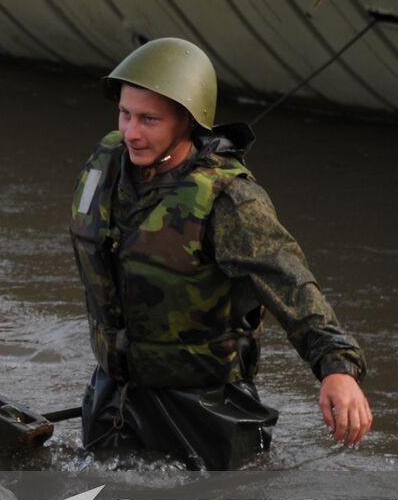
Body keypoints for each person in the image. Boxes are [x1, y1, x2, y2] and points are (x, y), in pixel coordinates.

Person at [69, 38, 372, 470]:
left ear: (188, 121)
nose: (132, 132)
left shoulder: (229, 200)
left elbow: (292, 283)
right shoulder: (109, 161)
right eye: (125, 114)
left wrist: (337, 369)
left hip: (205, 410)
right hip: (114, 396)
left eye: (149, 120)